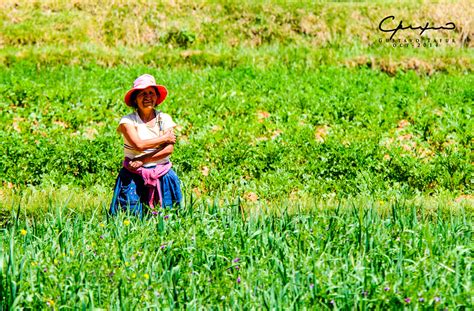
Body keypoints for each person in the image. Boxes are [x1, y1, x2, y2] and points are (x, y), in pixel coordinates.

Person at [109, 74, 182, 217]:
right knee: (130, 217)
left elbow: (169, 149)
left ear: (156, 97)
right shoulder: (127, 121)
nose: (147, 97)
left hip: (162, 174)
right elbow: (138, 145)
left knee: (167, 217)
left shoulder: (164, 119)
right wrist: (164, 137)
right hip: (133, 175)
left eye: (151, 93)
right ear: (135, 99)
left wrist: (143, 160)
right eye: (142, 93)